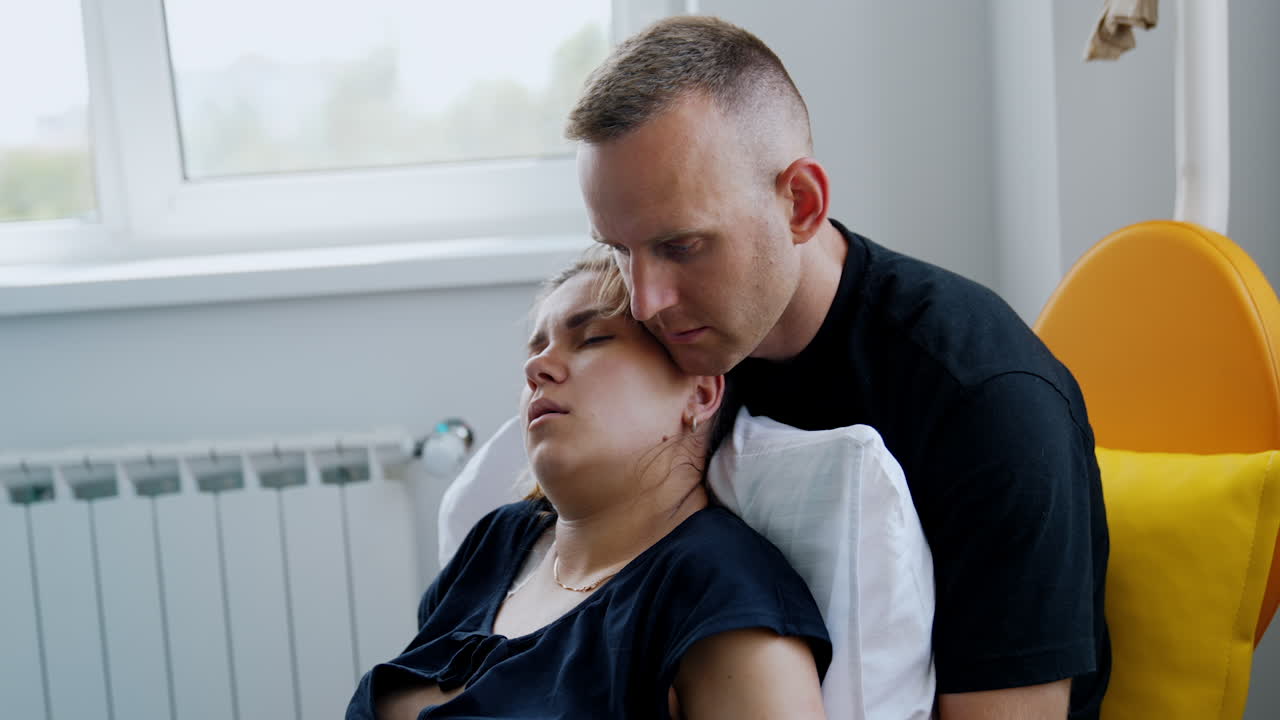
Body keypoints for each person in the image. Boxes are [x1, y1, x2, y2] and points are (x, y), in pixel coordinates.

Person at [569, 15, 1110, 720]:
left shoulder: (987, 406)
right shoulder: (667, 348)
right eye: (618, 249)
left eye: (683, 245)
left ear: (800, 203)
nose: (644, 300)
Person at [346, 251, 831, 719]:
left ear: (700, 393)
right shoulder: (495, 543)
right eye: (536, 348)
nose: (536, 369)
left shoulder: (716, 590)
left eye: (593, 338)